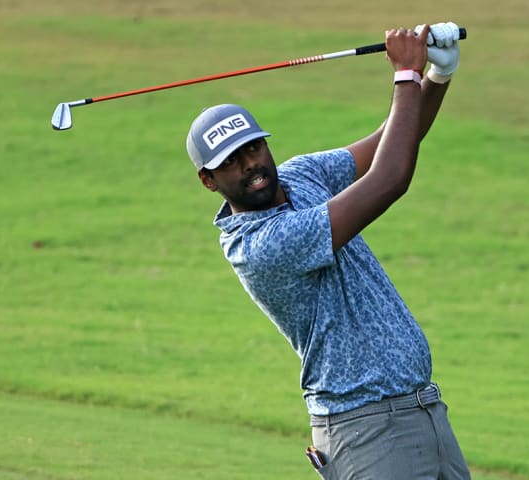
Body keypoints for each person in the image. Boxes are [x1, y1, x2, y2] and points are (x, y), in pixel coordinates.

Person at [186, 22, 470, 480]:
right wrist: (404, 76)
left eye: (254, 147)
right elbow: (389, 180)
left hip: (424, 411)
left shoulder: (300, 175)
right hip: (367, 433)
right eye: (231, 162)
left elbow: (391, 143)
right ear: (208, 180)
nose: (252, 165)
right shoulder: (261, 245)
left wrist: (436, 77)